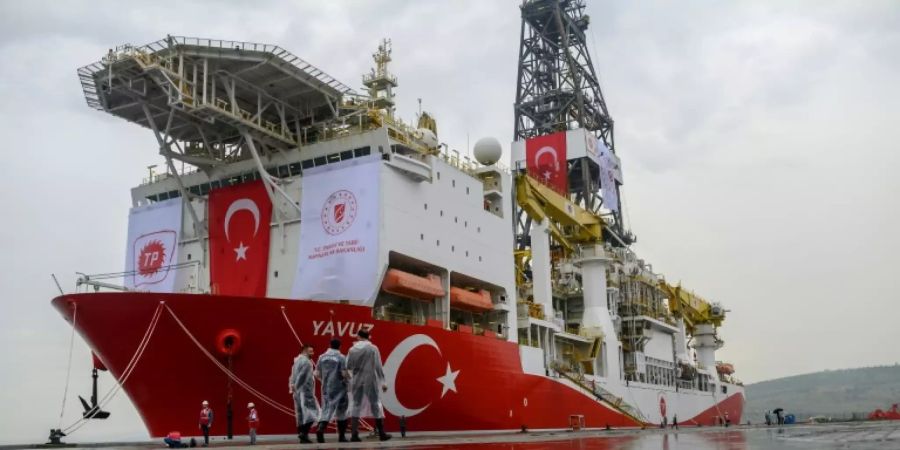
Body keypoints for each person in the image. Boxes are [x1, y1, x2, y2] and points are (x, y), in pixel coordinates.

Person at [346, 328, 392, 442]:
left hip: (356, 379)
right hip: (370, 379)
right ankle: (381, 433)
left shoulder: (352, 350)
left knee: (356, 404)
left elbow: (348, 366)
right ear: (369, 336)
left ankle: (354, 435)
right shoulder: (373, 348)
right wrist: (383, 382)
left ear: (358, 336)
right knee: (375, 403)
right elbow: (378, 365)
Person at [315, 338, 350, 443]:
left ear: (329, 345)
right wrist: (348, 379)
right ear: (339, 346)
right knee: (342, 411)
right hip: (339, 387)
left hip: (326, 387)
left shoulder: (322, 357)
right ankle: (342, 437)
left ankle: (320, 428)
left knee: (326, 409)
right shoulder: (341, 357)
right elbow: (344, 373)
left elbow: (316, 373)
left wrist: (324, 380)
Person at [290, 344, 320, 444]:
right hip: (305, 391)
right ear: (304, 351)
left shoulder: (296, 361)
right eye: (310, 351)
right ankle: (304, 433)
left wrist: (292, 387)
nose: (312, 353)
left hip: (297, 392)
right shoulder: (307, 362)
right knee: (314, 413)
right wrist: (296, 386)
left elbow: (292, 375)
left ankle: (303, 437)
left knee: (300, 415)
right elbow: (302, 376)